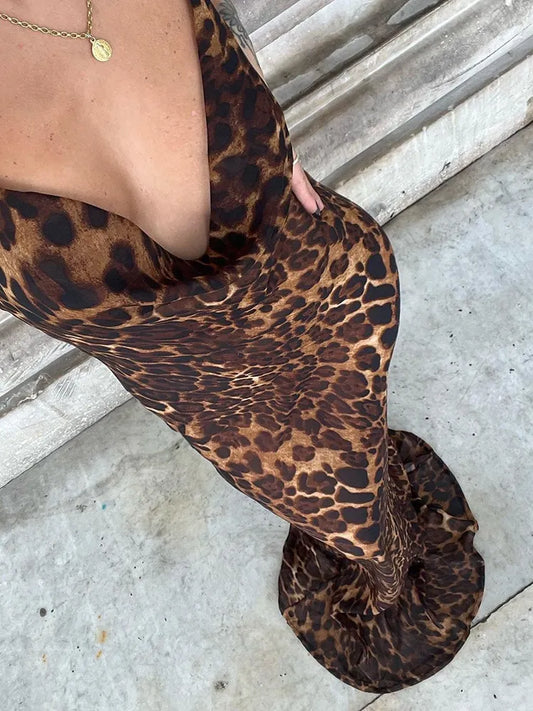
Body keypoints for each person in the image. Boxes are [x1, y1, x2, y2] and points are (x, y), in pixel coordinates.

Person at [0, 0, 484, 694]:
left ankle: (384, 551)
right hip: (217, 395)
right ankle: (378, 546)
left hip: (335, 299)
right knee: (341, 496)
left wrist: (280, 162)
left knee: (354, 468)